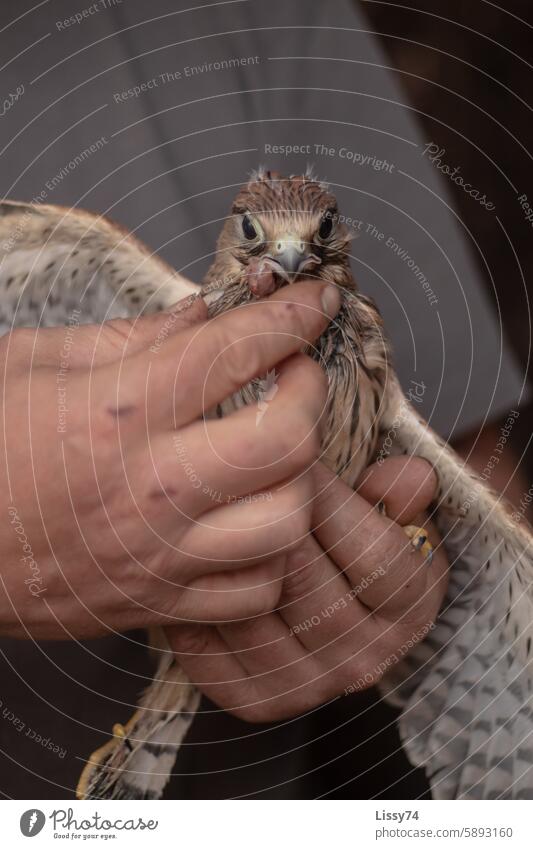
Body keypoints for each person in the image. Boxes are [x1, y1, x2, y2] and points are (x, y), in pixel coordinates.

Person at [0, 0, 526, 798]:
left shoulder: (271, 14)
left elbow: (465, 444)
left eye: (314, 240)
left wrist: (420, 575)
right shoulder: (109, 277)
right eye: (261, 237)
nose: (288, 255)